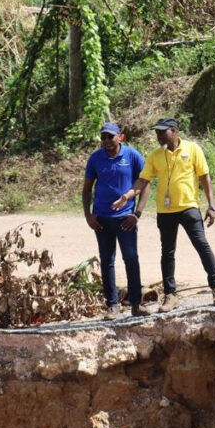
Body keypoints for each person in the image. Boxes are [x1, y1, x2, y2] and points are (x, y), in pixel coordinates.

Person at [114, 117, 215, 311]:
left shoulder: (192, 149)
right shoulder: (156, 155)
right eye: (156, 132)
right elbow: (143, 179)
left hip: (189, 207)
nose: (158, 136)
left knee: (201, 245)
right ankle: (170, 295)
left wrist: (211, 205)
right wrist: (128, 195)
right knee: (167, 252)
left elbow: (204, 177)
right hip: (165, 212)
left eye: (162, 132)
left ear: (174, 131)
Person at [82, 121, 150, 320]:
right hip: (101, 219)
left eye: (110, 136)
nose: (106, 141)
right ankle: (112, 305)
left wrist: (136, 213)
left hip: (125, 219)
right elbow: (87, 189)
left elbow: (145, 184)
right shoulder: (95, 159)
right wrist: (88, 214)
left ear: (121, 137)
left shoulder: (132, 156)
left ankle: (137, 304)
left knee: (131, 258)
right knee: (107, 261)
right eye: (103, 137)